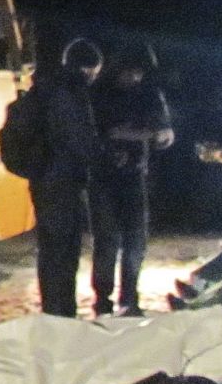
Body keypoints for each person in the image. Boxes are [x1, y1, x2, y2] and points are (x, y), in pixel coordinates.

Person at [88, 42, 173, 317]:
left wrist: (155, 134)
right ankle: (103, 299)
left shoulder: (148, 94)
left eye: (139, 74)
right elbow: (104, 132)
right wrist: (144, 135)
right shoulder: (100, 94)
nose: (135, 78)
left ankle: (129, 297)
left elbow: (164, 131)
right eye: (131, 72)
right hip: (104, 176)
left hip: (135, 175)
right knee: (108, 240)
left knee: (135, 240)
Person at [29, 38, 105, 316]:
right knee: (64, 252)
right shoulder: (70, 93)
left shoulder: (46, 88)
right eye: (95, 73)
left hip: (43, 179)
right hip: (63, 182)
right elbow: (79, 139)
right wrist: (100, 156)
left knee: (49, 250)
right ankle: (62, 313)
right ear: (86, 69)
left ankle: (53, 310)